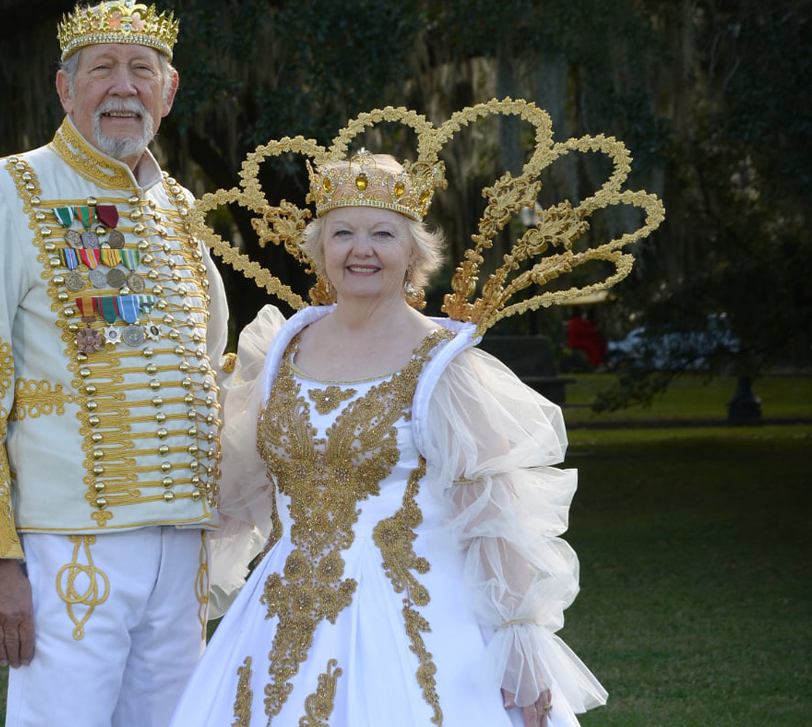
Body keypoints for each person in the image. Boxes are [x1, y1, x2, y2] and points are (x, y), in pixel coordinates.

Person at [170, 150, 608, 726]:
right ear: (321, 249)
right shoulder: (282, 348)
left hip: (413, 616)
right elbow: (247, 484)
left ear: (413, 256)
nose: (362, 250)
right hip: (280, 610)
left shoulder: (447, 366)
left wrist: (518, 640)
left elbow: (496, 513)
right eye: (343, 233)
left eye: (383, 234)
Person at [0, 0, 229, 727]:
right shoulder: (0, 190)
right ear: (65, 87)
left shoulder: (185, 211)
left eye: (142, 70)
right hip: (70, 544)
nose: (123, 88)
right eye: (102, 68)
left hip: (184, 547)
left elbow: (213, 369)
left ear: (169, 91)